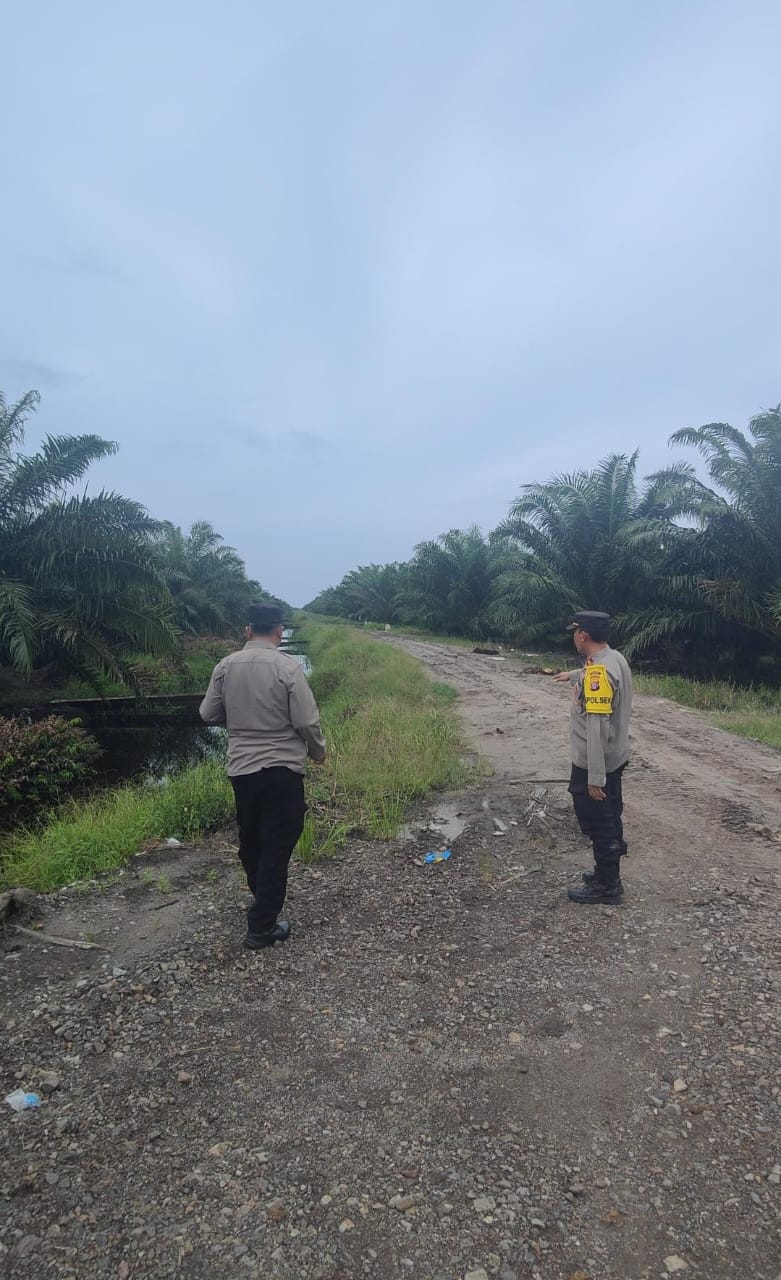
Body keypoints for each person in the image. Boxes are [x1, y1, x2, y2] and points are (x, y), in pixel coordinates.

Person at [199, 603, 326, 949]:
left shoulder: (225, 666)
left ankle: (262, 897)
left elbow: (208, 713)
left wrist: (240, 720)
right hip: (283, 770)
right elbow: (306, 721)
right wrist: (318, 752)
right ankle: (261, 926)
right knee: (278, 842)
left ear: (248, 630)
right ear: (279, 631)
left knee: (252, 839)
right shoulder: (288, 667)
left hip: (243, 770)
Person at [553, 610, 632, 904]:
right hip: (615, 756)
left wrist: (594, 777)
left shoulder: (598, 673)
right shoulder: (614, 658)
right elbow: (594, 674)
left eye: (574, 632)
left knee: (599, 822)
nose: (574, 637)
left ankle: (608, 886)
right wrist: (572, 676)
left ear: (583, 634)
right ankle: (605, 870)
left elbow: (597, 727)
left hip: (596, 762)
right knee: (611, 812)